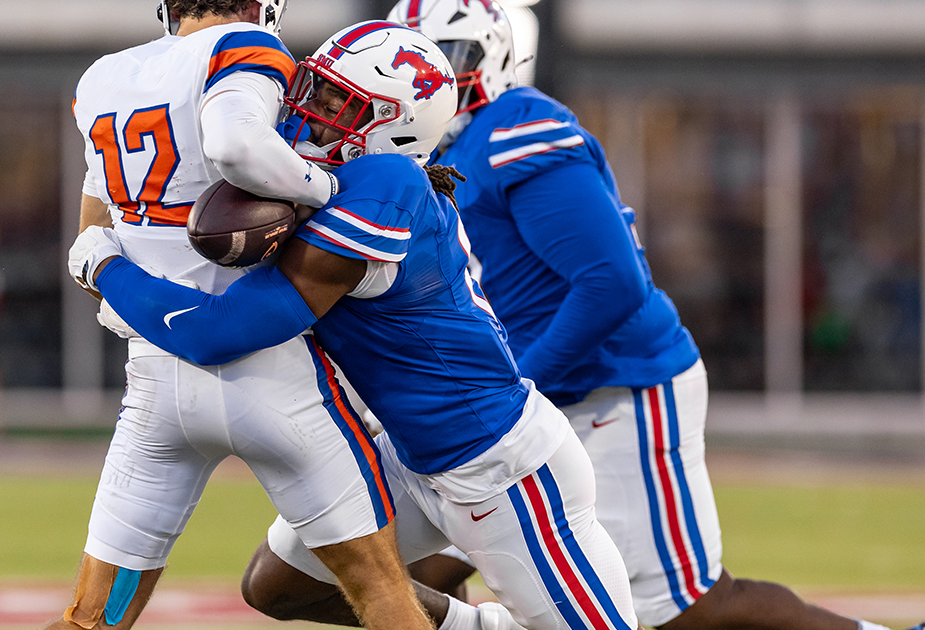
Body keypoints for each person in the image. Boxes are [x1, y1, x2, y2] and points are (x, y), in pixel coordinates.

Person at [69, 21, 640, 630]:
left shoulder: (386, 184)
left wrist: (105, 266)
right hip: (407, 452)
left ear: (395, 126)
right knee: (279, 587)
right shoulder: (336, 177)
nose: (306, 111)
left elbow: (219, 331)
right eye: (312, 89)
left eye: (335, 102)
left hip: (496, 466)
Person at [378, 2, 917, 630]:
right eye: (411, 63)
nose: (427, 81)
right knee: (413, 568)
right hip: (545, 396)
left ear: (494, 58)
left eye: (446, 58)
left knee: (689, 611)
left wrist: (520, 391)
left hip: (618, 389)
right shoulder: (430, 160)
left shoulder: (513, 128)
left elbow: (611, 284)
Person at [49, 2, 435, 629]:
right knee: (379, 588)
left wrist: (136, 300)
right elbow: (234, 144)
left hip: (155, 384)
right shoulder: (247, 48)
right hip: (276, 380)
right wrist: (324, 191)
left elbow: (93, 236)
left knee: (92, 617)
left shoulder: (102, 78)